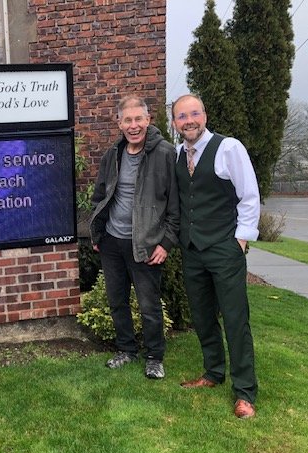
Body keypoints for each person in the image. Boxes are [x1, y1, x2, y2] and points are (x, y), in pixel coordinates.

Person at [171, 94, 260, 419]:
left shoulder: (229, 148)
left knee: (236, 319)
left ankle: (245, 392)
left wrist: (240, 240)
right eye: (182, 116)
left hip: (225, 249)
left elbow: (249, 196)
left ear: (204, 115)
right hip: (193, 250)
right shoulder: (179, 154)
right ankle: (212, 372)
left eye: (194, 113)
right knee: (203, 316)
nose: (189, 120)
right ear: (175, 122)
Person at [89, 95, 179, 379]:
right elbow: (100, 196)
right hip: (112, 242)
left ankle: (155, 357)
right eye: (127, 120)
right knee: (117, 301)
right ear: (119, 123)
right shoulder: (112, 155)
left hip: (146, 244)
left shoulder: (165, 154)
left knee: (149, 305)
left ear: (148, 120)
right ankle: (126, 350)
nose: (133, 125)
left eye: (138, 119)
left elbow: (175, 206)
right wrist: (97, 230)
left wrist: (166, 243)